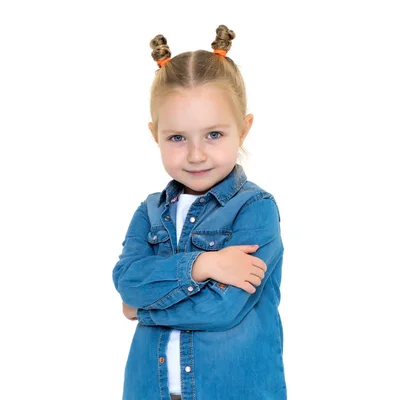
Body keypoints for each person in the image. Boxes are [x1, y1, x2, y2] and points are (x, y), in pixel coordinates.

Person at [112, 25, 287, 400]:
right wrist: (201, 266)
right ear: (154, 134)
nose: (195, 154)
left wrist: (141, 309)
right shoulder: (149, 212)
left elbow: (221, 309)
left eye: (213, 135)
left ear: (243, 129)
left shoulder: (256, 210)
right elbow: (126, 282)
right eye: (177, 137)